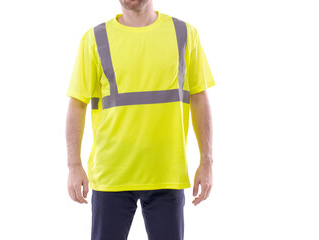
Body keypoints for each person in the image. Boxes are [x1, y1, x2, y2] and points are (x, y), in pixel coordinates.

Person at [65, 0, 215, 239]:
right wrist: (74, 165)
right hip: (111, 174)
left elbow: (199, 98)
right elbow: (76, 104)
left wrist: (206, 161)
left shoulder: (185, 33)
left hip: (166, 173)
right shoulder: (95, 38)